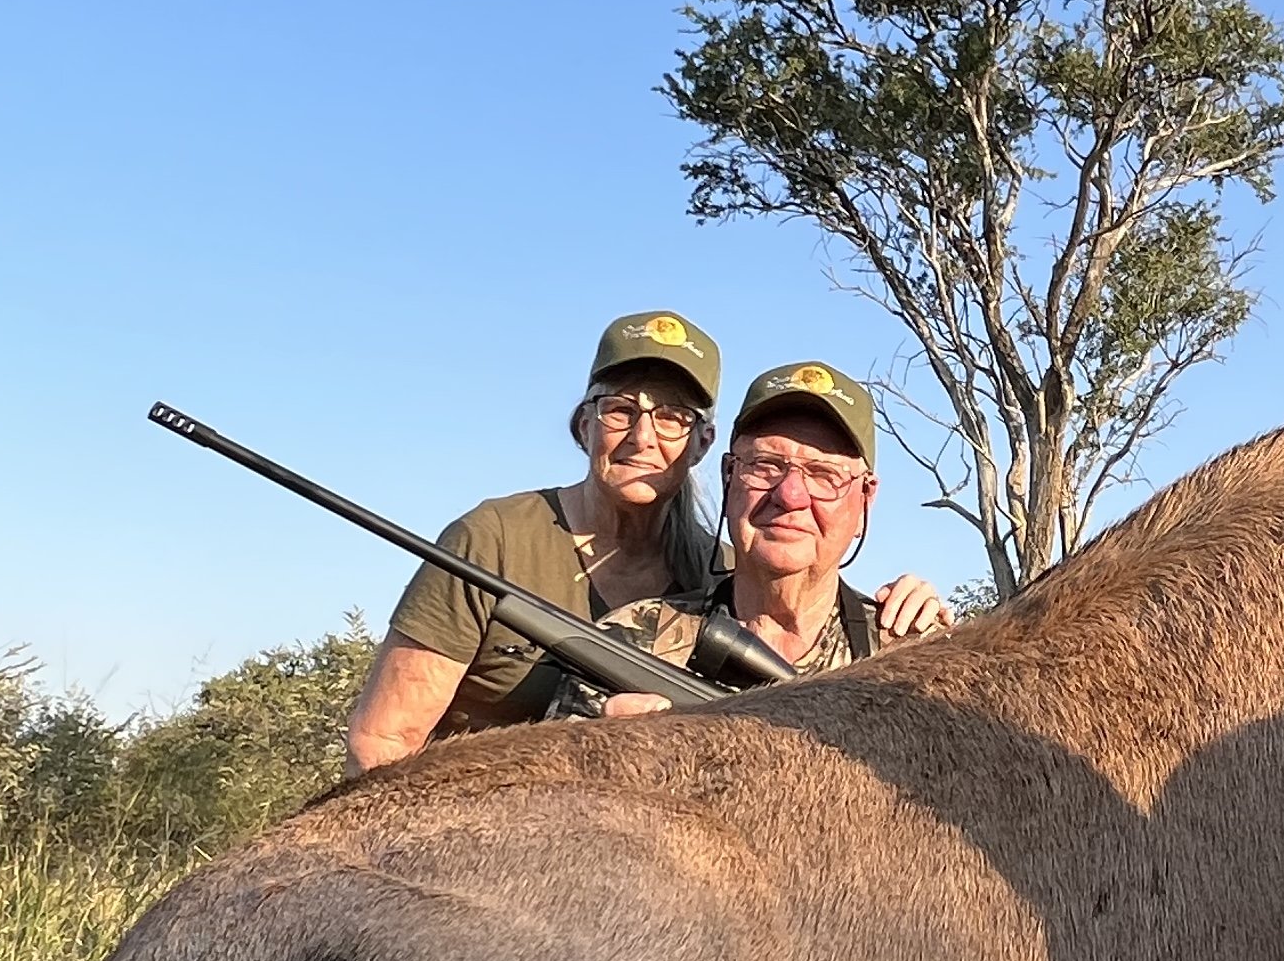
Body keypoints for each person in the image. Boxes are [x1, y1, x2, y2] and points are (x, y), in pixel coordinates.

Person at [343, 319, 951, 766]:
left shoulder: (902, 646)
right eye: (619, 411)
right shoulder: (502, 545)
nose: (643, 437)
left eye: (671, 418)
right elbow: (383, 740)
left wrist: (930, 628)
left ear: (700, 443)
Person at [547, 360, 949, 716]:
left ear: (865, 499)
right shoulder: (629, 644)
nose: (790, 495)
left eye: (825, 475)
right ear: (729, 478)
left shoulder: (918, 656)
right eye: (765, 466)